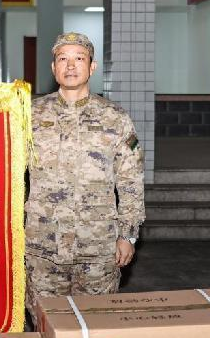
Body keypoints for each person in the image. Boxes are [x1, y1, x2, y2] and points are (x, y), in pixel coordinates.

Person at [25, 32, 145, 315]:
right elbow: (11, 175)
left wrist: (128, 235)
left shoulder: (115, 117)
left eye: (79, 58)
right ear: (53, 67)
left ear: (92, 67)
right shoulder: (29, 116)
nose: (70, 66)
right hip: (43, 247)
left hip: (98, 248)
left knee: (96, 324)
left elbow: (131, 181)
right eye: (62, 59)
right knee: (46, 323)